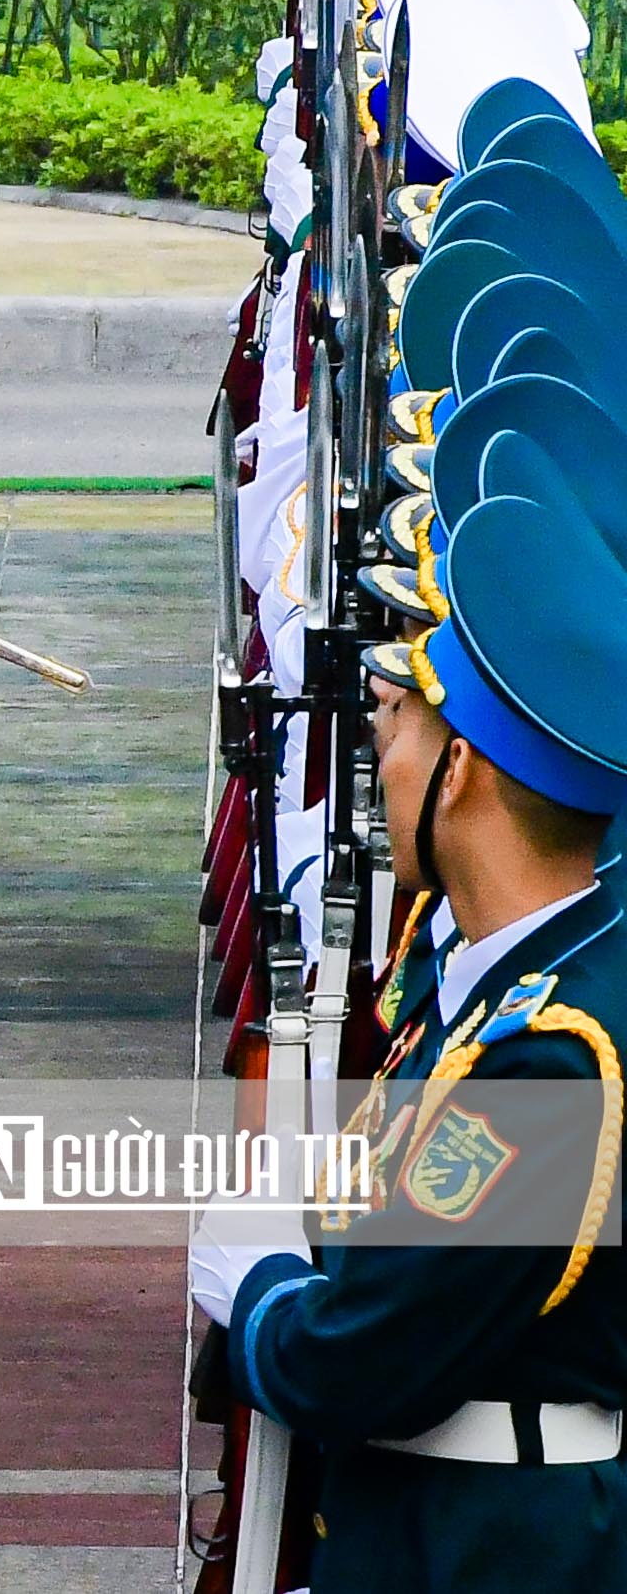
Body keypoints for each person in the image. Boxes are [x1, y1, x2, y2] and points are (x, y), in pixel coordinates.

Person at [196, 480, 627, 1590]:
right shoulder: (496, 972)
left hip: (484, 1549)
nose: (375, 754)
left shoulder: (547, 1054)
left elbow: (361, 1357)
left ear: (463, 769)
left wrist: (256, 1293)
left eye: (394, 721)